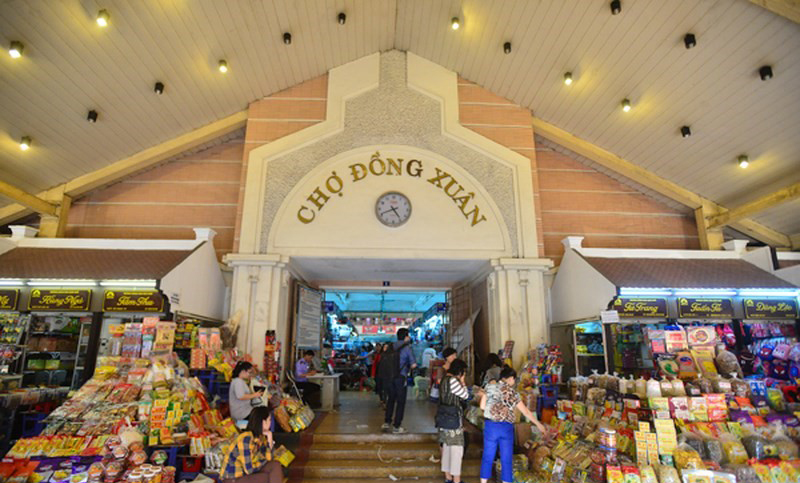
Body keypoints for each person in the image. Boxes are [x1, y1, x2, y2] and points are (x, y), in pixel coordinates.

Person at [479, 367, 545, 483]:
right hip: (506, 428)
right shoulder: (512, 392)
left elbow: (482, 407)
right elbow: (525, 412)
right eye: (513, 379)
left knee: (488, 457)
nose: (514, 382)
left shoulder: (489, 388)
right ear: (509, 379)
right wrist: (538, 424)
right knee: (506, 459)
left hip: (491, 427)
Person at [219, 406, 283, 483]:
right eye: (269, 420)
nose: (270, 423)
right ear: (263, 422)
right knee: (264, 477)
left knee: (275, 465)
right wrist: (262, 462)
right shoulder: (246, 439)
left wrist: (270, 438)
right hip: (233, 479)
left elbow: (269, 459)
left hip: (246, 474)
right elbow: (249, 470)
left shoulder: (261, 437)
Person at [436, 359, 472, 483]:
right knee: (457, 450)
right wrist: (463, 382)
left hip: (443, 419)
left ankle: (448, 477)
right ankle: (457, 480)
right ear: (460, 372)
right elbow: (465, 395)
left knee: (446, 448)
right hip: (453, 420)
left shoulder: (444, 380)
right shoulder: (453, 381)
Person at [382, 328, 416, 433]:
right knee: (400, 402)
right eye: (408, 335)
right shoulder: (407, 348)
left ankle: (387, 422)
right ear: (406, 336)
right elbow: (413, 365)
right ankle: (397, 426)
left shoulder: (390, 346)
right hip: (401, 378)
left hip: (389, 377)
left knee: (390, 399)